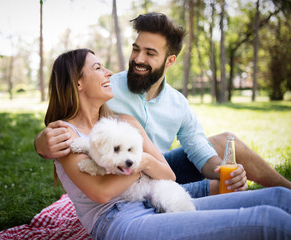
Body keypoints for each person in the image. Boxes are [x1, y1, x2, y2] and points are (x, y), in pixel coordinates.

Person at [44, 48, 291, 239]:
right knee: (269, 221)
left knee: (280, 198)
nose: (108, 72)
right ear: (77, 82)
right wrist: (144, 164)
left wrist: (145, 162)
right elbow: (101, 192)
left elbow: (167, 174)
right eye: (98, 67)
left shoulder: (123, 121)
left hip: (156, 195)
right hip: (118, 219)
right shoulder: (65, 135)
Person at [35, 13, 291, 197]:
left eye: (150, 53)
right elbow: (71, 111)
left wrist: (224, 172)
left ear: (169, 61)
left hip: (160, 170)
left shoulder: (177, 103)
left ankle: (286, 189)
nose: (137, 59)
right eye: (136, 49)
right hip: (123, 173)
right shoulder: (108, 86)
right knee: (219, 190)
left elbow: (198, 150)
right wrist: (41, 144)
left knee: (226, 142)